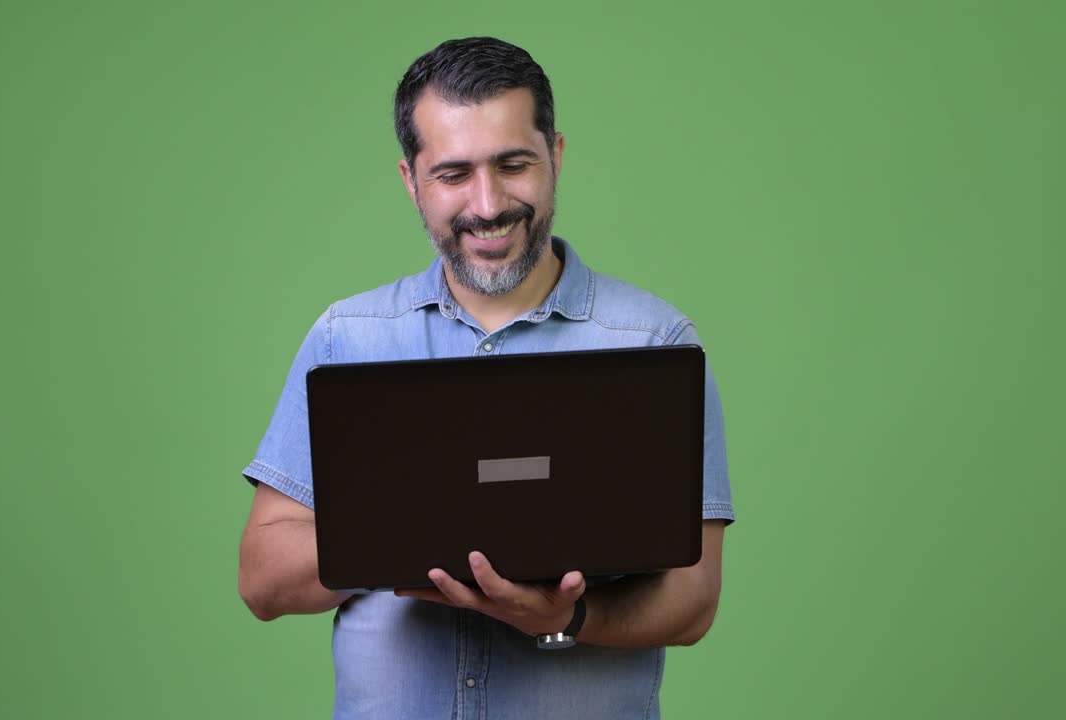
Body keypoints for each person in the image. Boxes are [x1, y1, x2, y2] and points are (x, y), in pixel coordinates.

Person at [238, 36, 735, 719]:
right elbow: (262, 580)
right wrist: (399, 524)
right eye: (452, 174)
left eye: (513, 164)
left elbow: (695, 597)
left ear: (554, 156)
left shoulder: (655, 342)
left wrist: (565, 616)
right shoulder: (346, 337)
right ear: (411, 180)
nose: (488, 202)